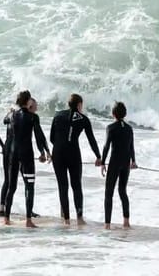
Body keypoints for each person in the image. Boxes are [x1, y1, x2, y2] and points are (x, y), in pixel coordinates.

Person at [50, 93, 102, 225]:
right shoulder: (84, 119)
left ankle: (66, 219)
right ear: (79, 105)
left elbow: (51, 138)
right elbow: (91, 140)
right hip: (73, 153)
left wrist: (59, 146)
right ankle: (79, 217)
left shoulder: (58, 115)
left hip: (58, 153)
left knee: (63, 186)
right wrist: (98, 156)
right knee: (76, 186)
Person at [3, 92, 51, 228]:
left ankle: (6, 218)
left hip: (13, 153)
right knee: (29, 186)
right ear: (28, 101)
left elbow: (4, 121)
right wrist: (45, 151)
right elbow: (39, 135)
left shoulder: (12, 115)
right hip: (26, 155)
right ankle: (28, 220)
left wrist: (9, 112)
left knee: (11, 186)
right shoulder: (32, 117)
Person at [101, 101, 137, 230]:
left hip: (115, 162)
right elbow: (131, 146)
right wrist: (133, 161)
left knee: (108, 193)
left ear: (113, 114)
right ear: (124, 114)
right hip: (126, 163)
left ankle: (107, 225)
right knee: (123, 191)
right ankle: (126, 222)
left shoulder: (111, 127)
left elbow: (106, 146)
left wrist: (102, 162)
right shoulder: (129, 128)